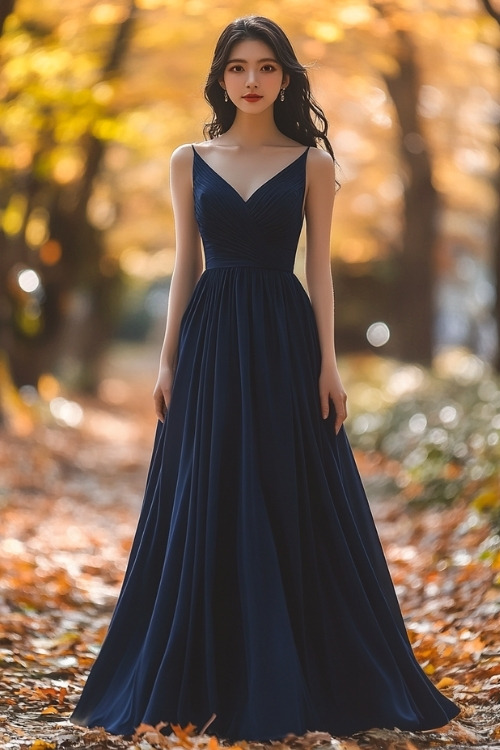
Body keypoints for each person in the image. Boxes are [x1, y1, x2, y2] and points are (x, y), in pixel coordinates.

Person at [71, 15, 459, 741]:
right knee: (208, 489)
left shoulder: (312, 163)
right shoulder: (187, 159)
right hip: (212, 336)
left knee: (289, 487)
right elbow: (186, 263)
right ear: (221, 77)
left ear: (286, 77)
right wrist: (166, 358)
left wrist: (329, 364)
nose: (253, 81)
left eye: (267, 67)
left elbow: (321, 272)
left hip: (283, 336)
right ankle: (204, 668)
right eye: (239, 68)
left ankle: (305, 669)